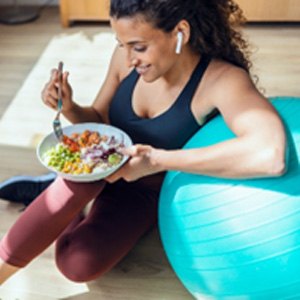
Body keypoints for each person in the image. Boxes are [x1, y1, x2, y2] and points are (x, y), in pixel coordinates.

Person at [0, 0, 287, 285]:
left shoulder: (222, 81)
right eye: (121, 45)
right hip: (103, 169)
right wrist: (70, 106)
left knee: (78, 265)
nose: (128, 59)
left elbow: (270, 156)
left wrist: (155, 161)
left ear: (180, 32)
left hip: (148, 192)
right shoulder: (125, 60)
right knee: (82, 181)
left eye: (138, 47)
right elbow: (101, 119)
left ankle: (55, 190)